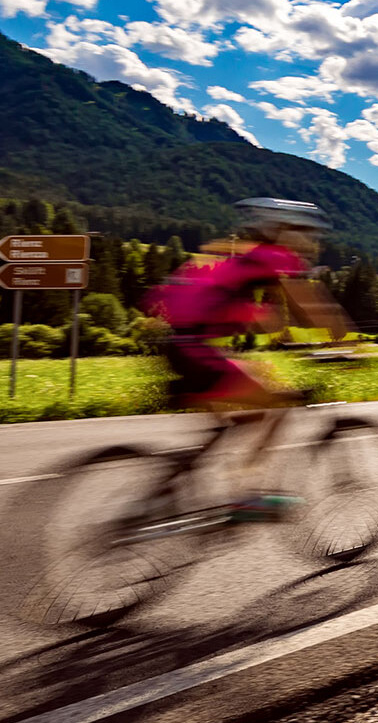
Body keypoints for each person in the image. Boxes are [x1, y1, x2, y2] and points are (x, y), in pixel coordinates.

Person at [143, 197, 353, 517]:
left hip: (181, 345)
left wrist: (283, 333)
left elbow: (264, 317)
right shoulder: (272, 256)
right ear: (284, 231)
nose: (311, 243)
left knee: (248, 415)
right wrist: (346, 338)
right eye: (306, 234)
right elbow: (310, 305)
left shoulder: (246, 260)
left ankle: (170, 485)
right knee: (278, 403)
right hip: (193, 349)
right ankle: (247, 494)